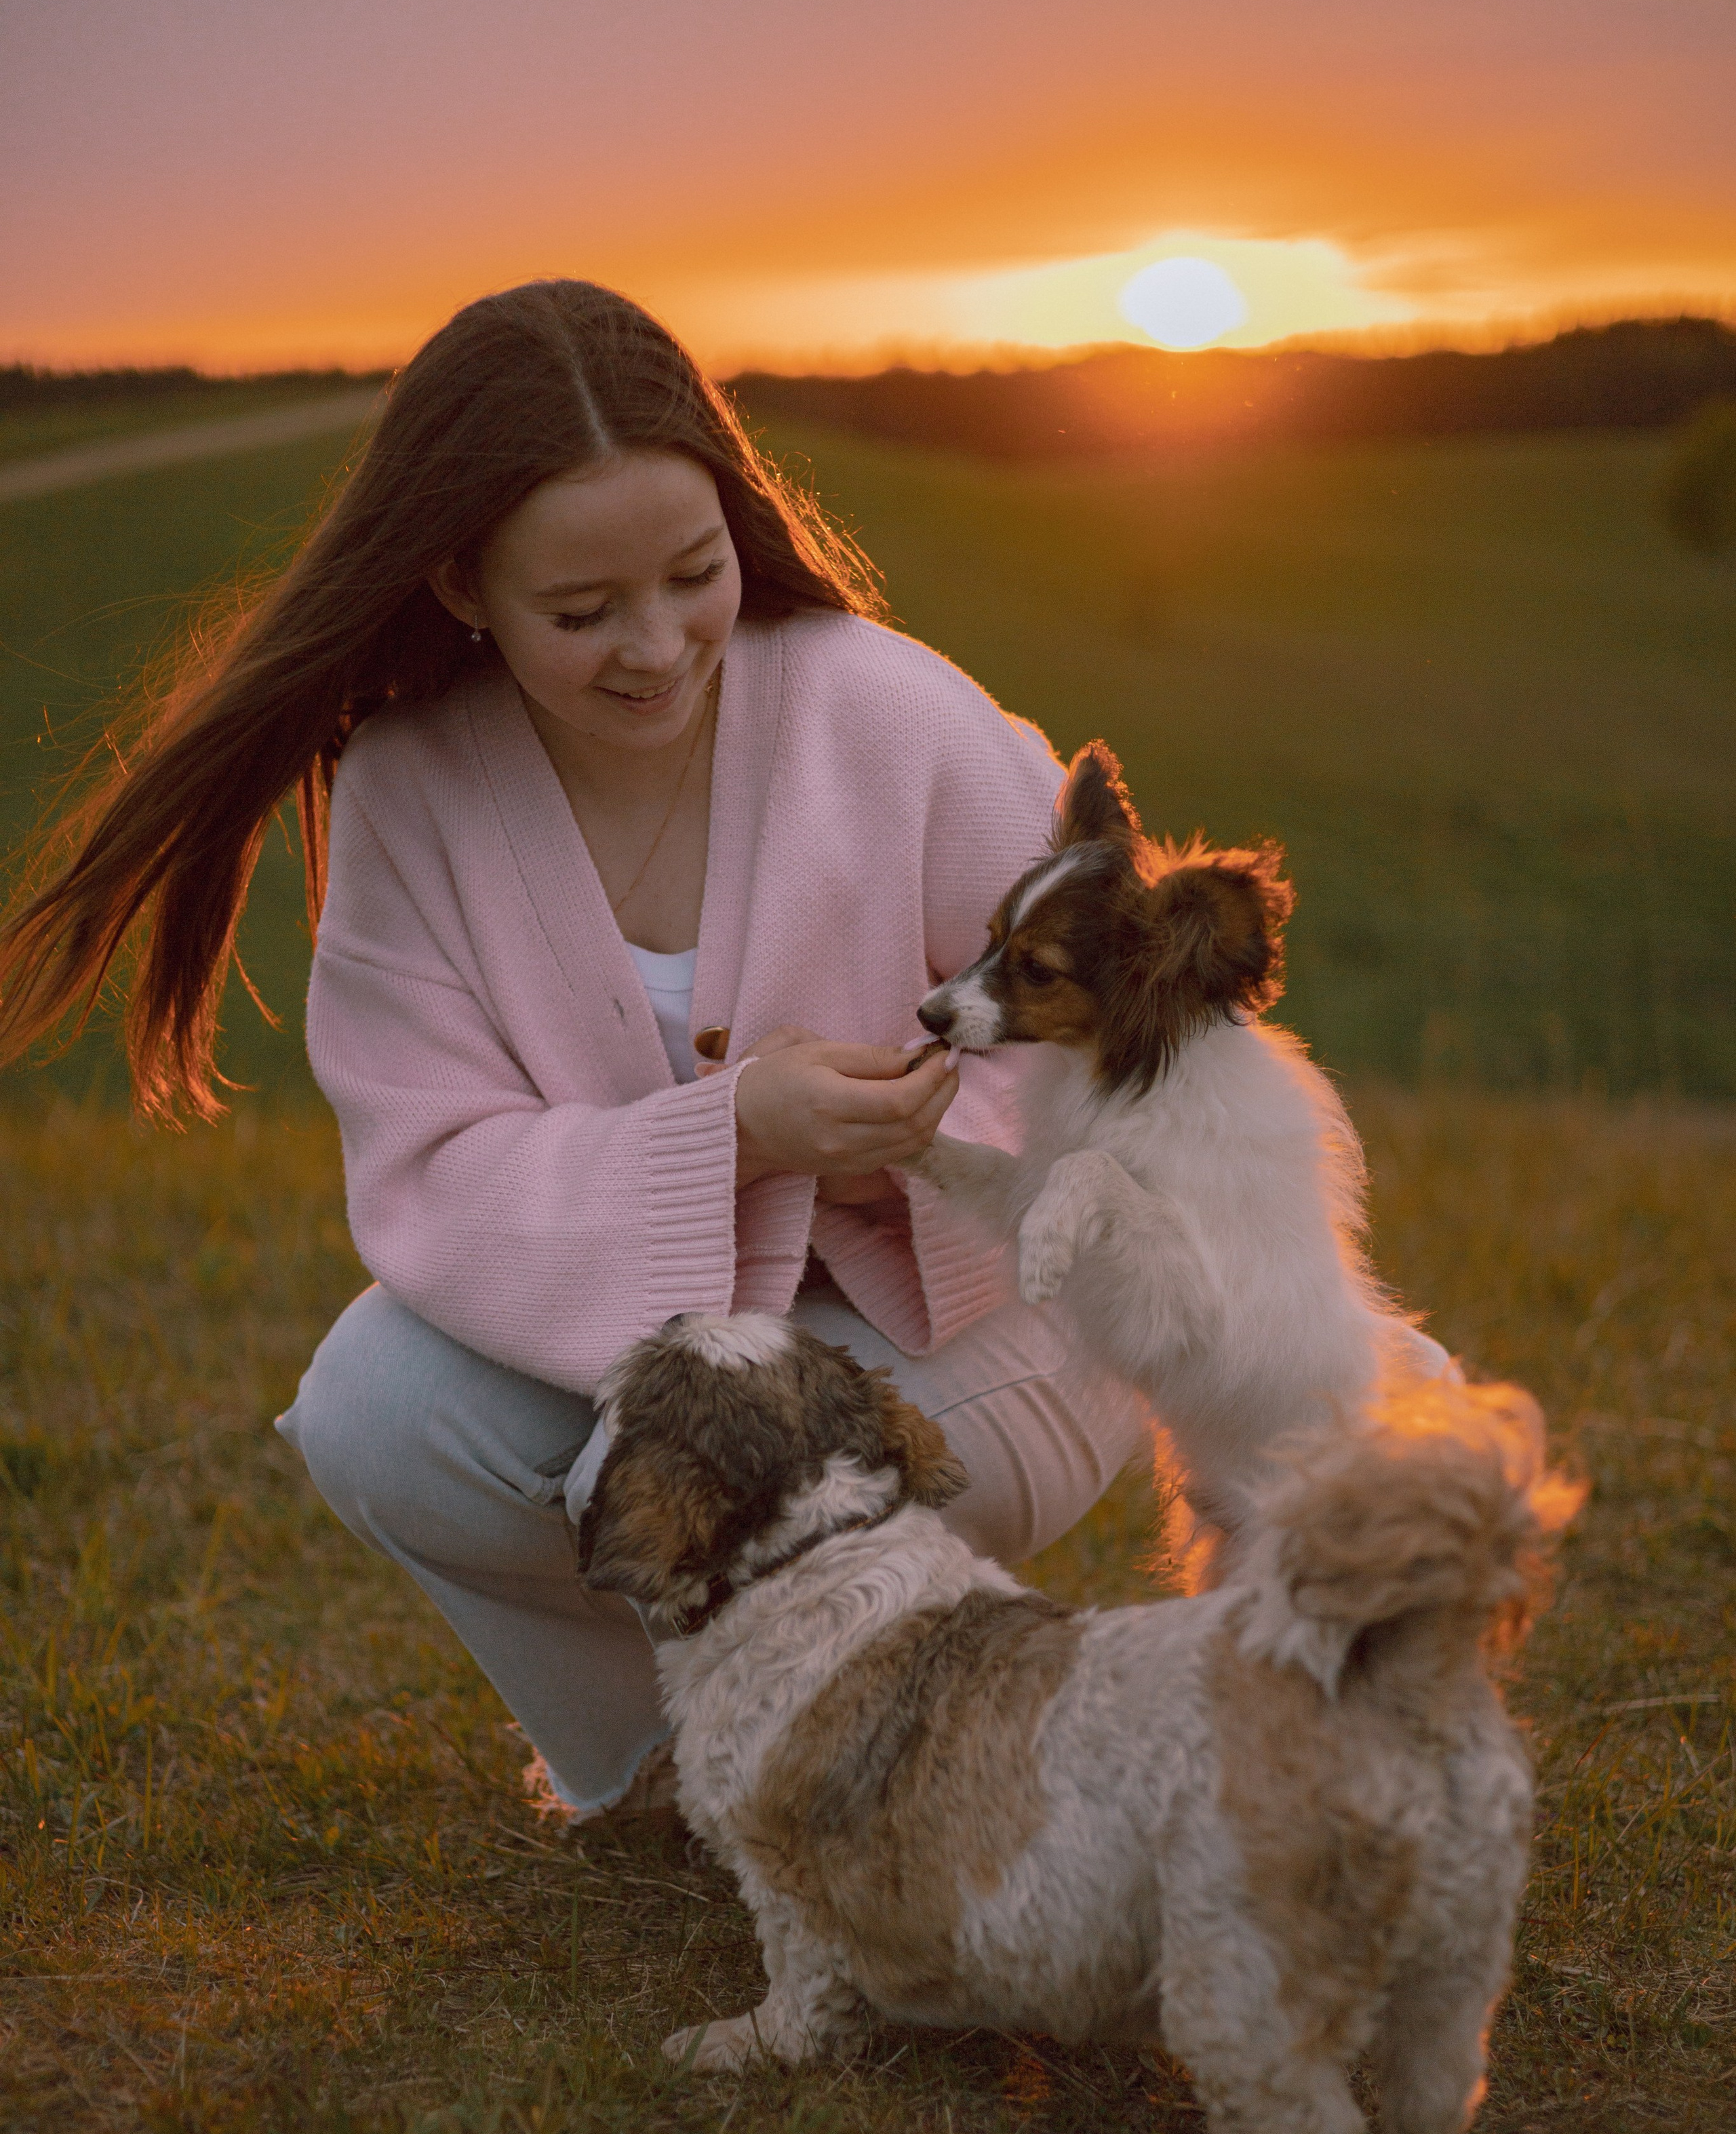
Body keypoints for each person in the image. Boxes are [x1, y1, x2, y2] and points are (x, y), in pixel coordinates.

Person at [0, 280, 1146, 1821]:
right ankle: (668, 1774)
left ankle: (895, 1764)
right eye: (582, 611)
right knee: (376, 1412)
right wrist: (738, 1131)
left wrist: (923, 1133)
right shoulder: (416, 786)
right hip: (652, 1358)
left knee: (754, 1469)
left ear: (737, 522)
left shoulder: (889, 712)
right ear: (462, 583)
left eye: (693, 575)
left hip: (971, 1329)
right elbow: (435, 1167)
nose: (656, 648)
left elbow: (1118, 1027)